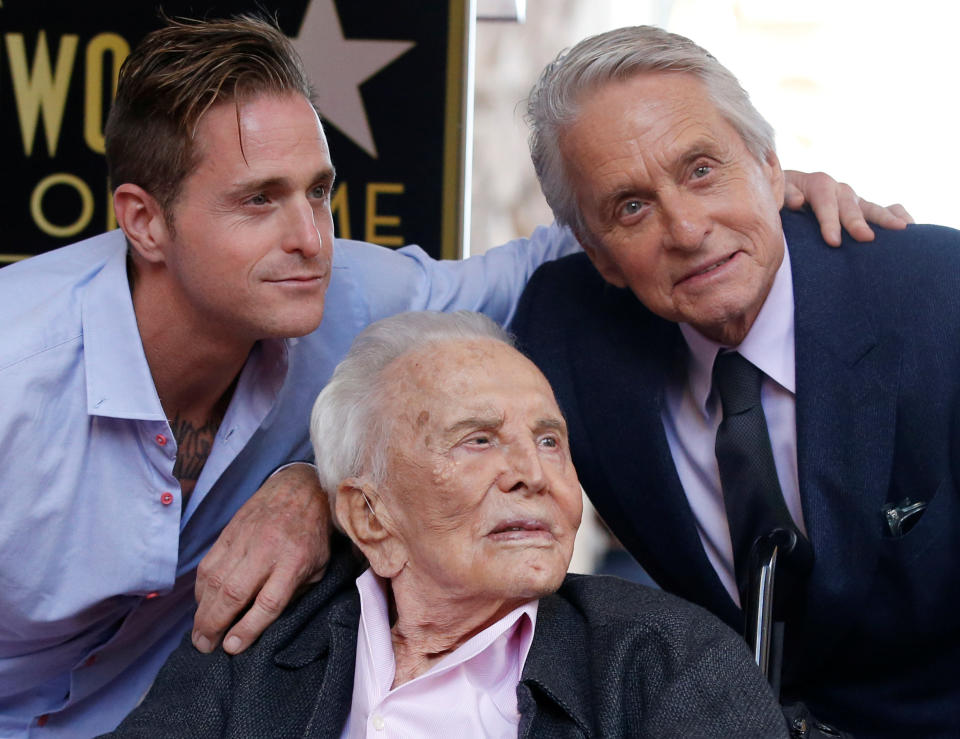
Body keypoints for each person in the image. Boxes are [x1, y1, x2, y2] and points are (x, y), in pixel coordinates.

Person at [0, 14, 904, 736]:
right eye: (257, 201)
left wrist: (757, 189)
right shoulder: (16, 366)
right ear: (144, 222)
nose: (310, 238)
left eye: (317, 190)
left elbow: (586, 240)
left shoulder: (353, 290)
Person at [511, 25, 960, 739]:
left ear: (772, 167)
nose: (687, 229)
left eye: (701, 169)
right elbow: (409, 414)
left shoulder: (941, 295)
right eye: (631, 206)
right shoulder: (562, 329)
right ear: (597, 256)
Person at [109, 310, 789, 738]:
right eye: (478, 440)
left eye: (550, 440)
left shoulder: (664, 662)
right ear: (371, 518)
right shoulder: (264, 643)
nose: (533, 472)